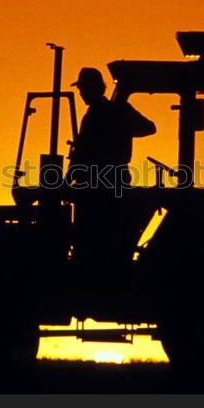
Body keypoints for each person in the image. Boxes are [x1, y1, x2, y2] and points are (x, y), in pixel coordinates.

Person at [66, 68, 156, 287]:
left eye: (84, 89)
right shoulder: (116, 110)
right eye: (81, 89)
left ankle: (93, 278)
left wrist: (66, 180)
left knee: (93, 235)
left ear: (95, 88)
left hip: (99, 185)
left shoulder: (103, 114)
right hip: (112, 180)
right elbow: (146, 128)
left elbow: (83, 154)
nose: (82, 93)